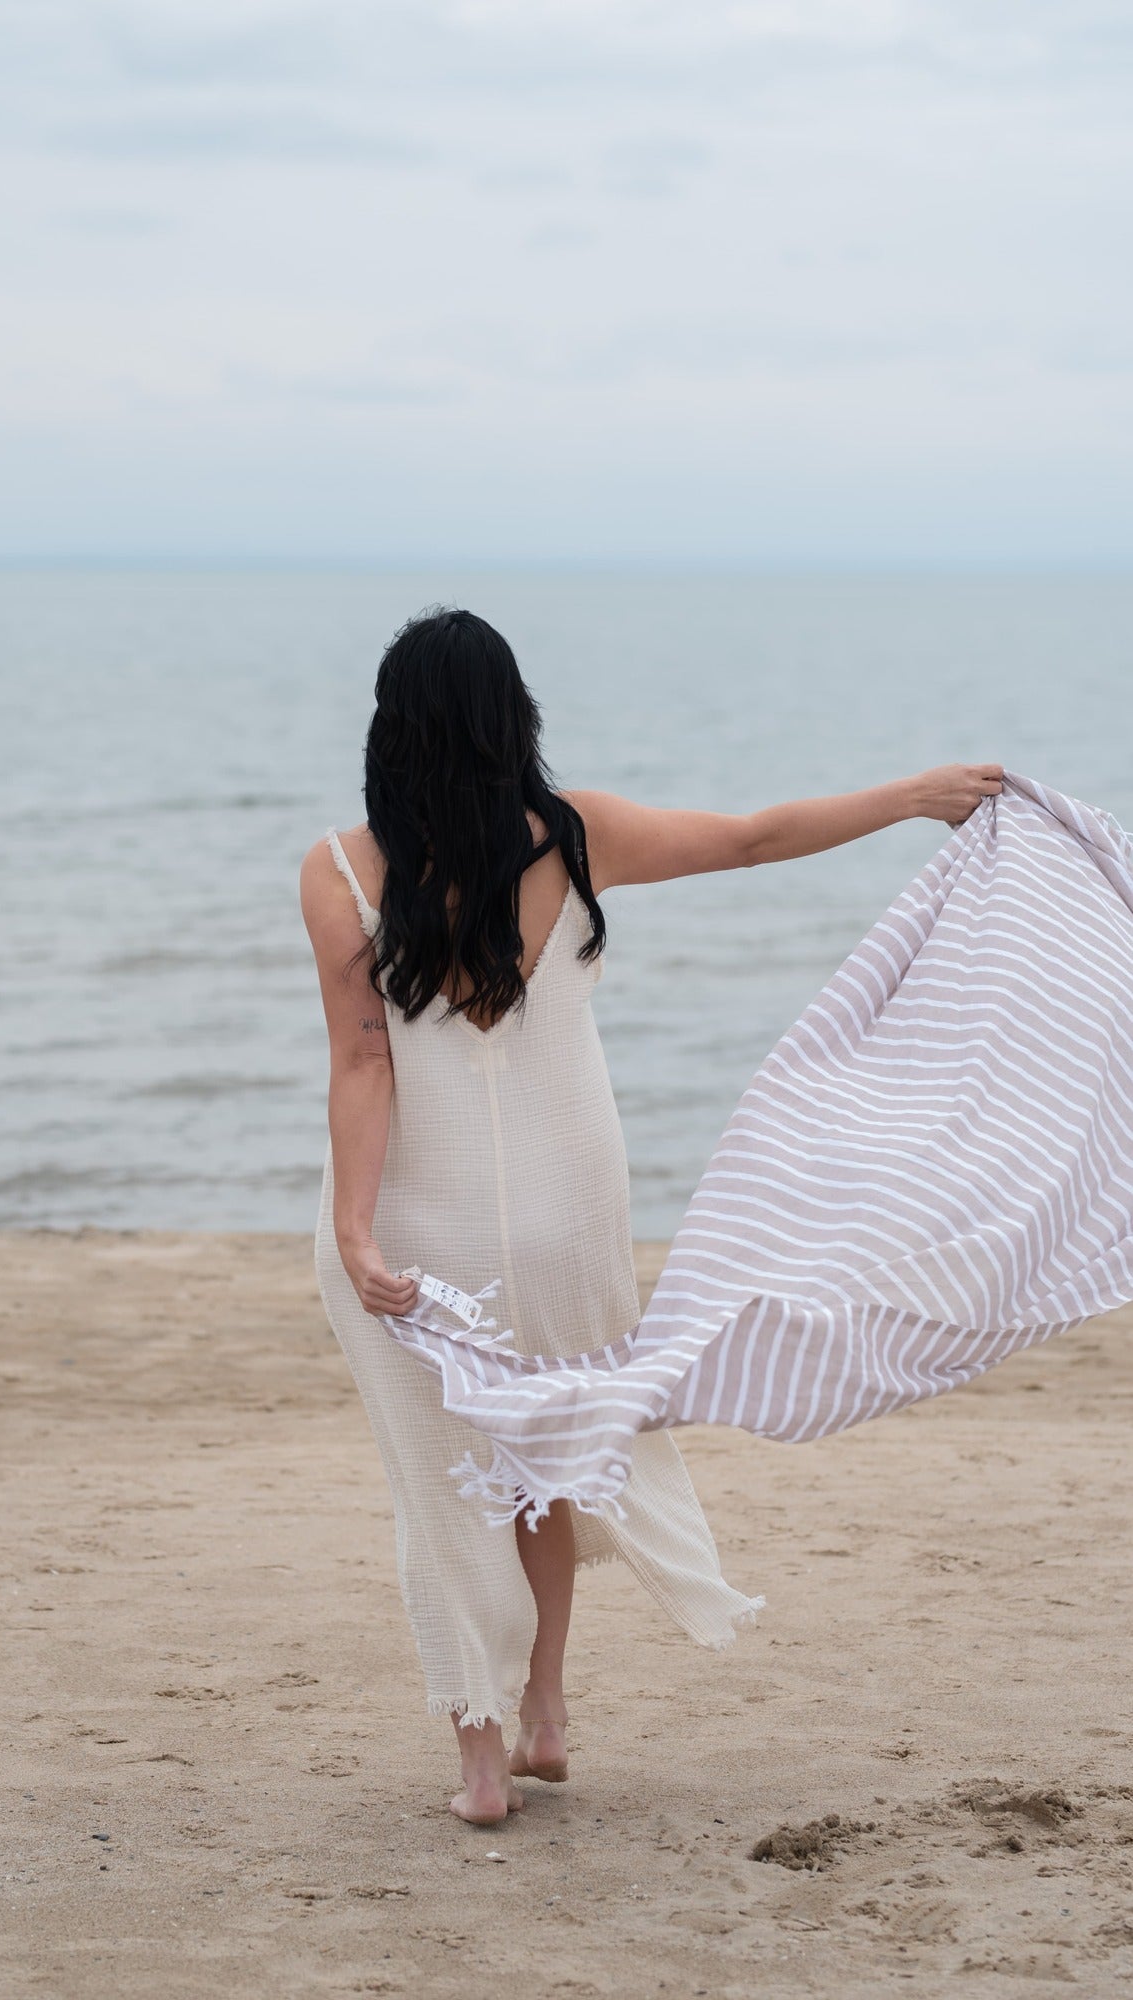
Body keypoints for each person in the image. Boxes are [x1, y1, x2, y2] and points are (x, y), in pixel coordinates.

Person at [300, 606, 1002, 1827]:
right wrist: (913, 793)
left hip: (424, 1212)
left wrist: (358, 1234)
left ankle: (480, 1766)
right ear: (510, 717)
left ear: (389, 729)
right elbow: (749, 838)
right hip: (573, 1205)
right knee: (551, 1459)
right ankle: (551, 1714)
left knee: (443, 1480)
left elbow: (364, 1064)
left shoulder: (342, 869)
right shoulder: (578, 835)